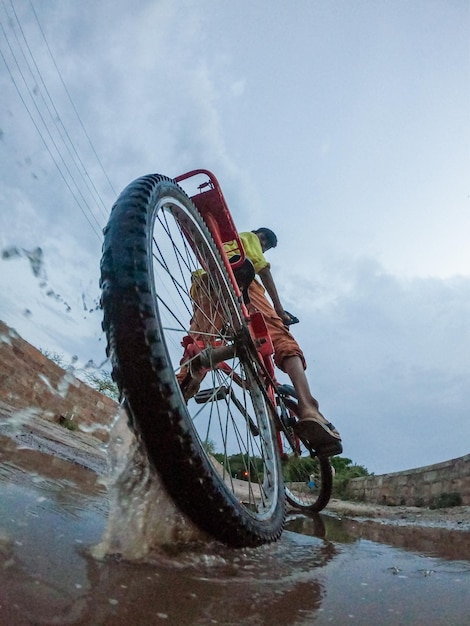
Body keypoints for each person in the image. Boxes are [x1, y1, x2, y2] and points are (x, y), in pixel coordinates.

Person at [178, 227, 342, 457]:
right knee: (278, 334)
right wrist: (280, 309)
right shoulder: (247, 238)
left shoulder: (221, 242)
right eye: (263, 240)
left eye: (265, 244)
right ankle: (308, 408)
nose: (262, 243)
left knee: (198, 345)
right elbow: (262, 269)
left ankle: (172, 398)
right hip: (241, 279)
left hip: (204, 284)